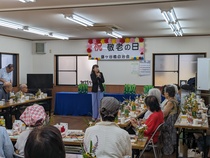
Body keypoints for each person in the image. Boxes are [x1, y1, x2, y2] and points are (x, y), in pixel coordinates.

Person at [161, 85, 179, 155]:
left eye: (165, 92)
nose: (164, 94)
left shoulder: (170, 102)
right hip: (172, 124)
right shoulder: (175, 100)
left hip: (168, 125)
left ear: (168, 93)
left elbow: (164, 114)